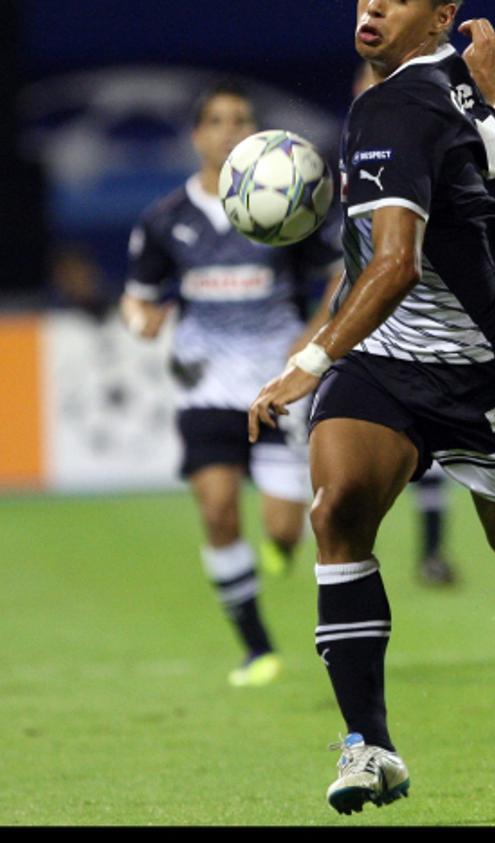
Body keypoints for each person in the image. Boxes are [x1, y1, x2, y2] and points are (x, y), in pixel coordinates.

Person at [247, 0, 495, 814]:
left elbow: (394, 264)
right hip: (387, 361)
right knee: (339, 513)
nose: (371, 5)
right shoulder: (450, 83)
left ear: (439, 16)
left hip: (484, 373)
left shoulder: (392, 108)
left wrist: (307, 359)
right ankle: (370, 746)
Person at [121, 81, 344, 687]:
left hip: (275, 385)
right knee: (218, 510)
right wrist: (142, 320)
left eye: (240, 119)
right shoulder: (167, 220)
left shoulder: (292, 205)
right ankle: (257, 649)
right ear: (197, 135)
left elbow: (337, 277)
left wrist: (313, 337)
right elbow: (136, 297)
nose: (228, 129)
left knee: (281, 528)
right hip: (204, 385)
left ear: (253, 132)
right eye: (216, 120)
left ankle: (281, 546)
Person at [354, 60, 462, 587]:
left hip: (433, 323)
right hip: (370, 332)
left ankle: (431, 552)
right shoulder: (355, 157)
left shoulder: (425, 144)